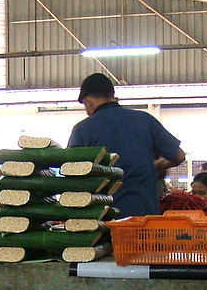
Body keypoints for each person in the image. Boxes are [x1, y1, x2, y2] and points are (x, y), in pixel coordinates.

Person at [68, 73, 185, 217]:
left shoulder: (82, 130)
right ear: (111, 95)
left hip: (101, 219)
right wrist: (155, 165)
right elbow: (179, 156)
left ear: (89, 102)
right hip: (143, 216)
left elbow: (71, 175)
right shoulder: (145, 120)